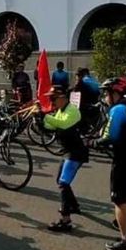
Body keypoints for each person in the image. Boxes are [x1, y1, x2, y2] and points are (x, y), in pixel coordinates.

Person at [91, 77, 126, 250]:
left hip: (125, 157)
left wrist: (93, 143)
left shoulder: (117, 110)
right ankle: (122, 222)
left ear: (115, 93)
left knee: (118, 198)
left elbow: (110, 136)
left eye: (107, 93)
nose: (105, 97)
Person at [42, 85, 88, 233]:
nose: (51, 101)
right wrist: (39, 119)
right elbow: (50, 125)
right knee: (60, 181)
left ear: (62, 97)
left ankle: (65, 221)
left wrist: (45, 115)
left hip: (76, 152)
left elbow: (63, 124)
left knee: (63, 183)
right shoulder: (60, 110)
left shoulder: (72, 111)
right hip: (67, 151)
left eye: (53, 98)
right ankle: (73, 206)